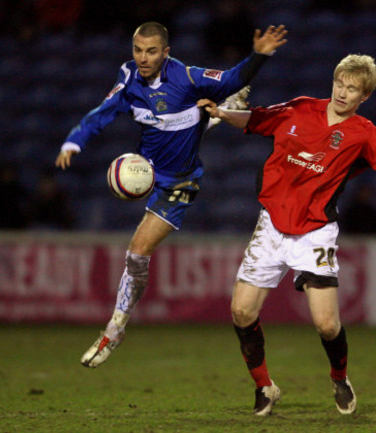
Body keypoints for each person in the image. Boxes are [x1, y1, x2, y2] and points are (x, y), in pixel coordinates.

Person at [198, 53, 376, 415]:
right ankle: (264, 386)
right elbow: (255, 120)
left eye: (352, 89)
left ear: (365, 97)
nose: (343, 93)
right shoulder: (299, 109)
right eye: (340, 85)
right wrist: (221, 113)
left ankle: (339, 377)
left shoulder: (363, 133)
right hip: (272, 224)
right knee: (241, 311)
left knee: (327, 325)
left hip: (315, 231)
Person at [55, 21, 287, 368]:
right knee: (190, 118)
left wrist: (258, 55)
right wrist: (75, 139)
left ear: (166, 52)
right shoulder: (129, 77)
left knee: (137, 252)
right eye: (138, 50)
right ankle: (216, 115)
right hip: (146, 172)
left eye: (151, 51)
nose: (143, 58)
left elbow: (232, 78)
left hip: (179, 183)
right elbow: (104, 111)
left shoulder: (189, 76)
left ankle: (114, 329)